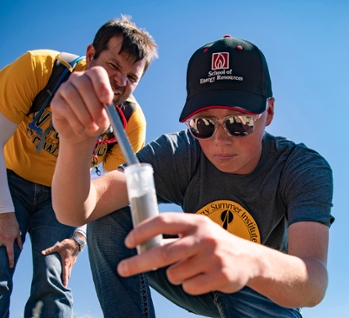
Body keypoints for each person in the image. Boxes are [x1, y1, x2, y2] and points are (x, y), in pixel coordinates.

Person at [51, 35, 334, 318]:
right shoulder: (180, 153)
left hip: (263, 295)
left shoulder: (300, 167)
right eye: (204, 124)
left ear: (268, 111)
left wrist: (243, 258)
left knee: (246, 289)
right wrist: (75, 144)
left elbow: (313, 282)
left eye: (239, 122)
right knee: (110, 217)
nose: (221, 140)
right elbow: (78, 210)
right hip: (190, 278)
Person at [0, 15, 157, 318]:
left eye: (132, 77)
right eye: (113, 66)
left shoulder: (130, 127)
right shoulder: (38, 69)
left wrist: (78, 238)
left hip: (59, 197)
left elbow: (99, 191)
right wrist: (4, 212)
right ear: (90, 55)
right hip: (8, 178)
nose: (120, 82)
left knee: (54, 279)